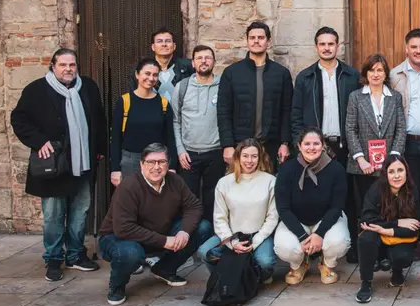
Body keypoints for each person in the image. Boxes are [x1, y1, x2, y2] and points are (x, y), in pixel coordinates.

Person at [11, 48, 106, 282]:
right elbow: (19, 119)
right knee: (54, 215)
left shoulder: (88, 87)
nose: (68, 69)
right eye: (63, 65)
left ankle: (75, 254)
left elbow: (99, 119)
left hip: (82, 163)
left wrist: (100, 149)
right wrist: (39, 141)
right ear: (53, 66)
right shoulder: (37, 90)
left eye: (72, 65)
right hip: (54, 166)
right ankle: (53, 258)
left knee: (80, 211)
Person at [98, 143, 211, 305]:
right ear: (142, 165)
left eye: (161, 162)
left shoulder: (175, 181)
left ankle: (165, 269)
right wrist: (165, 241)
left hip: (156, 234)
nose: (156, 167)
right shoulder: (129, 186)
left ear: (168, 164)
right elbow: (124, 228)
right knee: (130, 253)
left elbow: (194, 206)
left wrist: (184, 232)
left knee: (202, 228)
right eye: (151, 162)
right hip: (118, 238)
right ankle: (117, 286)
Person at [346, 53, 407, 261]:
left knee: (387, 209)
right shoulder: (356, 97)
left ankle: (385, 253)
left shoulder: (395, 97)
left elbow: (401, 129)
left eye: (380, 70)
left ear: (385, 73)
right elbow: (350, 129)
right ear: (365, 73)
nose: (376, 74)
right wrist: (360, 159)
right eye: (372, 70)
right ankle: (368, 253)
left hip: (388, 166)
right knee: (366, 209)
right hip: (363, 166)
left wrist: (393, 159)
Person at [274, 128, 351, 285]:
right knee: (285, 247)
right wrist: (302, 236)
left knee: (339, 242)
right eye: (307, 143)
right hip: (297, 220)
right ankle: (298, 265)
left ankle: (327, 264)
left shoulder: (336, 169)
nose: (311, 147)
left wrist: (320, 234)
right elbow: (283, 208)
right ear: (299, 146)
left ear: (322, 146)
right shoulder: (287, 170)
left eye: (316, 143)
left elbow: (337, 206)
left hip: (325, 220)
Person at [196, 139, 278, 284]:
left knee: (265, 262)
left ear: (260, 158)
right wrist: (232, 242)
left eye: (254, 156)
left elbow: (272, 218)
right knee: (204, 252)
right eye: (245, 156)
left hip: (259, 235)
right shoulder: (224, 182)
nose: (249, 160)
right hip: (232, 235)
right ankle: (225, 277)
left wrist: (256, 241)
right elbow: (219, 218)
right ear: (238, 157)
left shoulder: (270, 181)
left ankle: (256, 278)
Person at [217, 21, 294, 172]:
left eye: (261, 37)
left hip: (271, 145)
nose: (256, 41)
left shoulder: (281, 73)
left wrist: (285, 143)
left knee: (270, 189)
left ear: (268, 41)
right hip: (240, 145)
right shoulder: (232, 73)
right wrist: (227, 145)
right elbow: (223, 111)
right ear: (247, 41)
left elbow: (287, 111)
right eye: (252, 38)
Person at [390, 28, 420, 261]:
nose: (419, 51)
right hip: (405, 142)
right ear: (406, 48)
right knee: (409, 192)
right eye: (414, 47)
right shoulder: (394, 75)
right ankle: (413, 238)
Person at [356, 155, 420, 303]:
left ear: (406, 172)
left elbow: (415, 227)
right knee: (365, 239)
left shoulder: (412, 191)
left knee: (403, 257)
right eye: (391, 171)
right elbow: (366, 221)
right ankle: (365, 283)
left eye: (400, 170)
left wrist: (386, 230)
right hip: (378, 232)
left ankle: (397, 272)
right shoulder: (376, 189)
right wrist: (397, 222)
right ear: (385, 174)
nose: (397, 175)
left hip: (395, 235)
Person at [290, 26, 361, 163]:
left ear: (337, 46)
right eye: (322, 44)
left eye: (330, 44)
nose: (326, 48)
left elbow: (360, 112)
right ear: (316, 47)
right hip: (314, 147)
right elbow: (296, 114)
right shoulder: (305, 77)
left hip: (345, 146)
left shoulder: (352, 76)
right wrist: (298, 144)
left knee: (343, 184)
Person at [173, 45, 224, 228]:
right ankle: (188, 241)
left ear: (214, 62)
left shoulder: (223, 85)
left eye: (208, 58)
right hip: (189, 154)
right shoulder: (182, 87)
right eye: (199, 58)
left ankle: (209, 242)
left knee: (213, 199)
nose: (204, 61)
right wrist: (180, 150)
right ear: (193, 63)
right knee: (188, 201)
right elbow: (175, 121)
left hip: (215, 152)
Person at [110, 58, 177, 186]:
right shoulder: (125, 102)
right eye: (147, 73)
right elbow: (116, 138)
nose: (151, 78)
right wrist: (115, 169)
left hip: (156, 162)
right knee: (130, 202)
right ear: (137, 74)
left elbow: (169, 138)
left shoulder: (163, 104)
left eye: (155, 75)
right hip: (130, 161)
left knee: (155, 201)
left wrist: (172, 166)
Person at [129, 27, 193, 102]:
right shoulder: (141, 69)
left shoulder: (188, 66)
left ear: (174, 46)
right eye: (159, 41)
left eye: (168, 41)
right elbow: (133, 96)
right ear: (153, 47)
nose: (164, 44)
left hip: (182, 113)